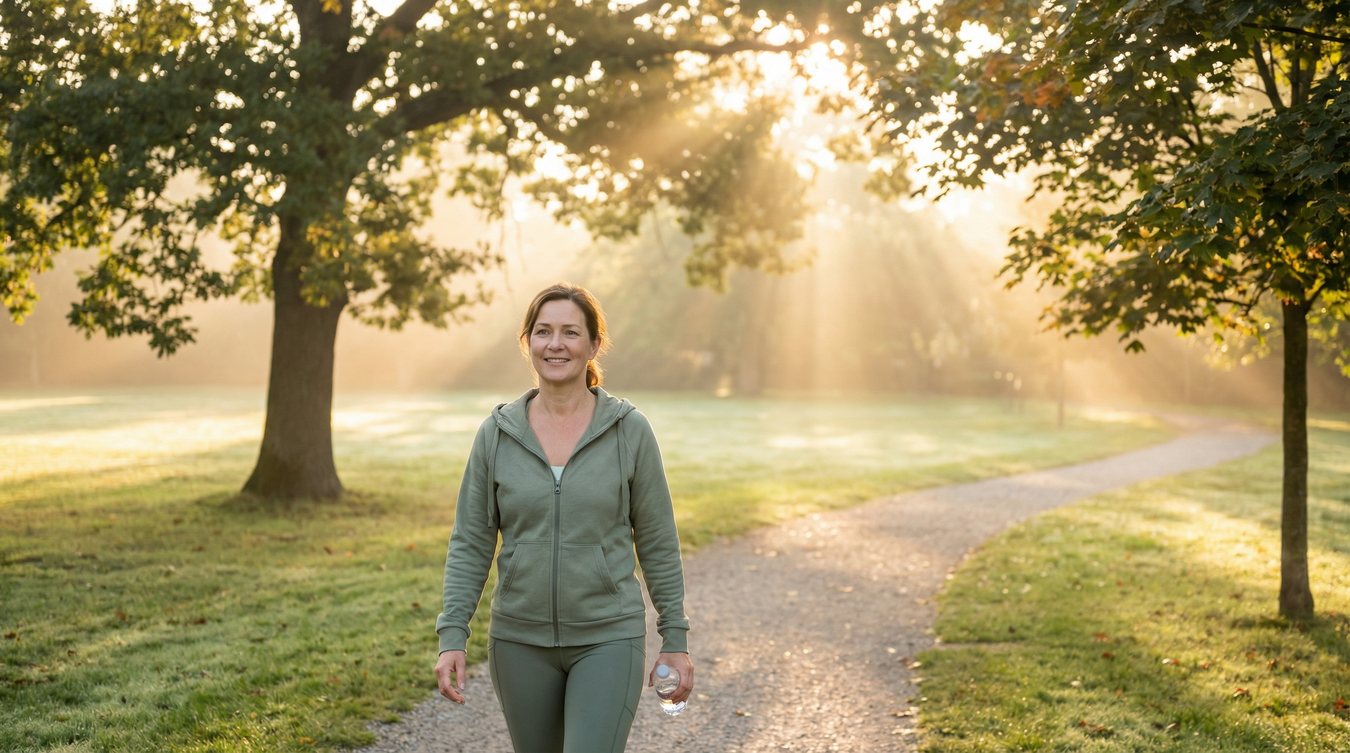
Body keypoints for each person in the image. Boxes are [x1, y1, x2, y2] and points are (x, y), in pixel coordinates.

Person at [434, 282, 694, 752]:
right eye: (543, 331)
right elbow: (471, 540)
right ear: (528, 342)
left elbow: (657, 539)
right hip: (518, 641)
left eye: (571, 332)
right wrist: (453, 633)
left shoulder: (628, 430)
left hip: (608, 637)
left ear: (594, 345)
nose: (556, 344)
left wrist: (674, 636)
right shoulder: (496, 434)